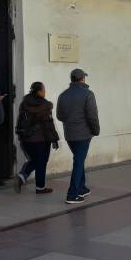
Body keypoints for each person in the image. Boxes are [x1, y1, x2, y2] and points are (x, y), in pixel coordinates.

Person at [56, 68, 100, 204]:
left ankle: (82, 188)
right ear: (82, 79)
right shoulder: (88, 94)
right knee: (79, 162)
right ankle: (72, 194)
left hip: (70, 134)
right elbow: (92, 116)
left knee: (78, 159)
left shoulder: (63, 95)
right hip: (83, 134)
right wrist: (96, 130)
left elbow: (59, 115)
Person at [14, 82, 59, 195]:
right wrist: (54, 139)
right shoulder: (45, 105)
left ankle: (23, 176)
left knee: (35, 160)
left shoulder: (25, 103)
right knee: (41, 162)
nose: (45, 92)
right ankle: (39, 187)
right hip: (41, 140)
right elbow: (48, 124)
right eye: (43, 90)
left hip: (26, 139)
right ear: (39, 91)